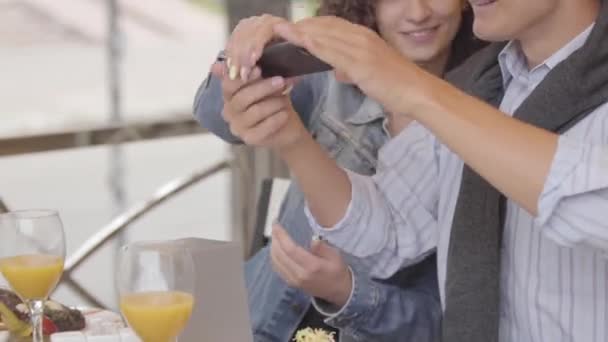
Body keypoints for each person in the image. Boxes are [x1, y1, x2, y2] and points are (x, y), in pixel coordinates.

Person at [221, 0, 608, 341]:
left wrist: (411, 87)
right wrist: (289, 136)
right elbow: (386, 230)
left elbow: (593, 204)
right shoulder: (483, 85)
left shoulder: (451, 101)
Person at [193, 0, 485, 341]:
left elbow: (450, 324)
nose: (417, 12)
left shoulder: (483, 119)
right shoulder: (328, 74)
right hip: (261, 324)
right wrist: (247, 50)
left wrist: (346, 291)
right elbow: (217, 117)